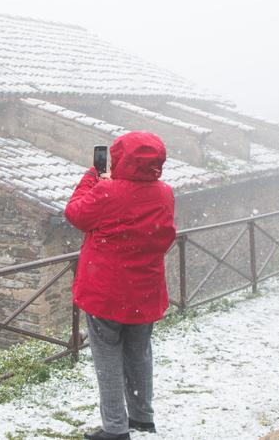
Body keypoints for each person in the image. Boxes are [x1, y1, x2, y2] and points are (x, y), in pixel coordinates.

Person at [65, 131, 176, 440]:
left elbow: (75, 213)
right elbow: (163, 236)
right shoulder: (164, 193)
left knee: (108, 358)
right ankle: (142, 416)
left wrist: (93, 177)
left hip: (106, 292)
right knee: (140, 352)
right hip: (145, 290)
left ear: (120, 158)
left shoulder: (107, 192)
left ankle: (115, 428)